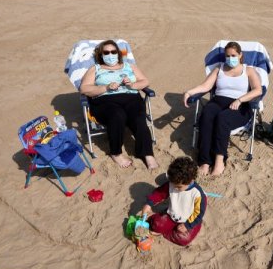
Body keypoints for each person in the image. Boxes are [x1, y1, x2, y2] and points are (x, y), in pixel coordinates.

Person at [183, 41, 262, 176]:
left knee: (223, 118)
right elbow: (205, 86)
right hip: (218, 101)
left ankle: (219, 161)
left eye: (233, 55)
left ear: (240, 55)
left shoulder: (248, 70)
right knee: (207, 115)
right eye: (227, 56)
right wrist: (189, 92)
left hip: (240, 105)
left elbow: (258, 90)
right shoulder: (219, 68)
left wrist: (240, 99)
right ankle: (205, 161)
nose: (230, 58)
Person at [80, 40, 158, 169]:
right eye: (106, 52)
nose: (110, 54)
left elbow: (145, 81)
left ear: (118, 53)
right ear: (101, 55)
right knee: (117, 115)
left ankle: (147, 154)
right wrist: (106, 87)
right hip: (105, 102)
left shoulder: (129, 66)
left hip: (131, 98)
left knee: (138, 117)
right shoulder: (95, 68)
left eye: (113, 51)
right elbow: (84, 89)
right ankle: (116, 153)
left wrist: (132, 85)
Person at [141, 156, 206, 246]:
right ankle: (165, 230)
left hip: (189, 220)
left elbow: (199, 213)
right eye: (173, 184)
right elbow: (160, 193)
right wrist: (149, 203)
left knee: (184, 239)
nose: (175, 188)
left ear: (191, 180)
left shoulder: (197, 194)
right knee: (155, 224)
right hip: (172, 216)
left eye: (179, 187)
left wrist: (187, 225)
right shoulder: (173, 183)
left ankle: (166, 232)